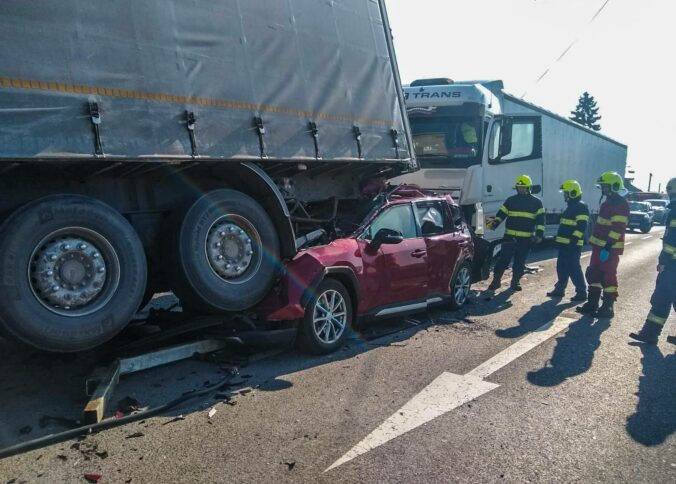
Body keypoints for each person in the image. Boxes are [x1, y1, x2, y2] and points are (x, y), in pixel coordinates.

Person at [577, 171, 629, 319]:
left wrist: (608, 246)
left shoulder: (621, 205)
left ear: (614, 186)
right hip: (598, 247)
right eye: (602, 187)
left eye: (605, 187)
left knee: (608, 277)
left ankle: (608, 307)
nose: (603, 190)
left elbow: (618, 228)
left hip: (610, 249)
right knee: (593, 274)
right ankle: (592, 304)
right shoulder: (607, 203)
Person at [629, 177, 675, 344]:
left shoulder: (675, 211)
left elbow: (672, 240)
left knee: (662, 297)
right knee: (663, 298)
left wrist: (663, 261)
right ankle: (650, 334)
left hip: (673, 266)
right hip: (672, 266)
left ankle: (650, 334)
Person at [488, 175, 545, 291]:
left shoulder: (537, 203)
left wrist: (539, 235)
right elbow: (501, 214)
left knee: (519, 263)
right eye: (519, 187)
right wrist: (494, 223)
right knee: (503, 260)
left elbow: (541, 221)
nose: (521, 189)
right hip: (509, 237)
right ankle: (496, 281)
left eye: (523, 187)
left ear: (529, 188)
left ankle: (515, 282)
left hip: (525, 239)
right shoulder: (511, 200)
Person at [547, 180, 590, 301]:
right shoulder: (570, 207)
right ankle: (560, 289)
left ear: (573, 193)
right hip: (565, 245)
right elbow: (566, 227)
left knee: (573, 268)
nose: (564, 195)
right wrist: (557, 240)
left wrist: (574, 239)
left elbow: (581, 226)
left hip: (573, 245)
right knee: (561, 267)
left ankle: (581, 292)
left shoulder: (581, 207)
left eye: (566, 193)